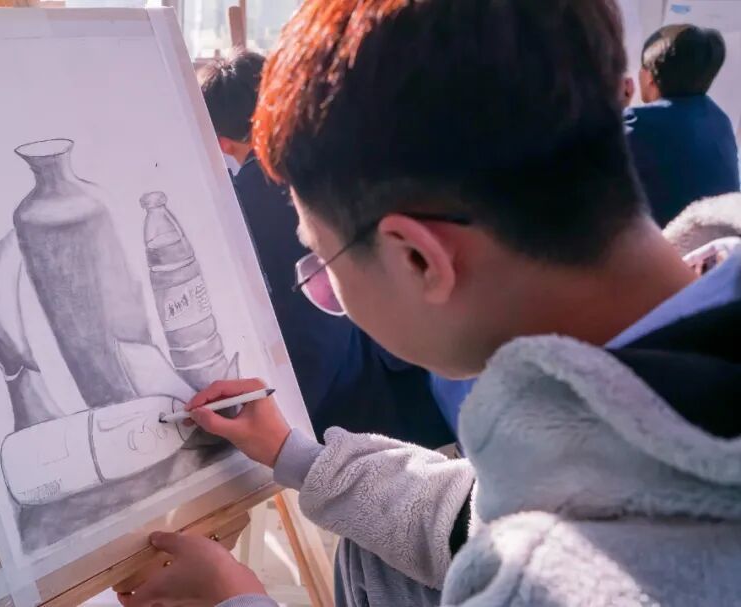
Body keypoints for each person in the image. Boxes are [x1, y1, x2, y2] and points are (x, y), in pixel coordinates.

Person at [120, 1, 741, 606]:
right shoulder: (658, 403)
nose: (327, 294)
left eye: (323, 268)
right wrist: (298, 456)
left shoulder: (580, 575)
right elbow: (488, 513)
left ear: (418, 258)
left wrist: (237, 600)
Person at [198, 51, 454, 446]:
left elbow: (309, 323)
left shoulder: (254, 196)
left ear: (221, 141)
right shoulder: (347, 148)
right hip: (421, 371)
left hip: (355, 403)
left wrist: (291, 428)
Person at [628, 24, 739, 225]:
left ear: (650, 76)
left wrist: (613, 108)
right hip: (719, 240)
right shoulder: (720, 121)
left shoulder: (636, 124)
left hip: (669, 241)